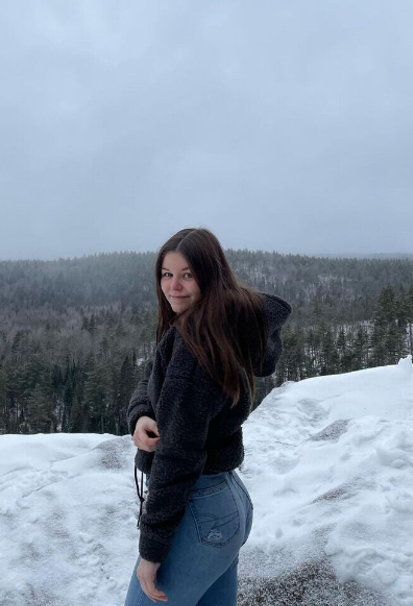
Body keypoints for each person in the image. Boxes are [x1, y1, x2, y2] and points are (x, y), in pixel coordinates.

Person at [123, 228, 290, 605]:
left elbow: (179, 455)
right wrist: (141, 414)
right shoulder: (220, 325)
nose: (174, 286)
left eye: (187, 274)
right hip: (225, 503)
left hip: (198, 510)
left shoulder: (195, 344)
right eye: (167, 274)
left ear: (210, 275)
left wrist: (151, 551)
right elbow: (154, 378)